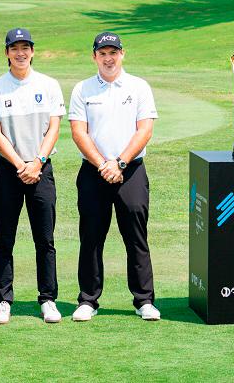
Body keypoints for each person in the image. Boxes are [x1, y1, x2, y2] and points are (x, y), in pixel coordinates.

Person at [67, 31, 161, 322]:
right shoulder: (82, 89)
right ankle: (88, 300)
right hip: (94, 172)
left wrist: (119, 163)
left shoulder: (139, 87)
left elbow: (144, 130)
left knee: (136, 236)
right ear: (94, 56)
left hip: (130, 170)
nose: (109, 58)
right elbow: (78, 132)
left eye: (114, 52)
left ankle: (144, 300)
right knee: (92, 237)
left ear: (123, 54)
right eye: (103, 53)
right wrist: (103, 164)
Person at [0, 28, 65, 325]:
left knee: (45, 238)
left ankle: (48, 299)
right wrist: (21, 164)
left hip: (42, 168)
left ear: (32, 51)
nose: (20, 53)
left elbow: (54, 128)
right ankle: (3, 299)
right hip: (9, 169)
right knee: (4, 237)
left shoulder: (49, 84)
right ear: (6, 52)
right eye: (14, 48)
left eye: (25, 47)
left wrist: (38, 162)